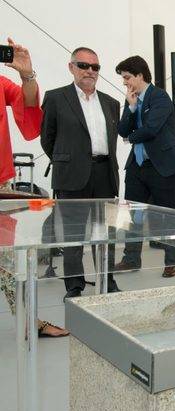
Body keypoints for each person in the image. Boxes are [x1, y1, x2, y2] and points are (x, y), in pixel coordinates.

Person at [41, 47, 121, 300]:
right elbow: (48, 138)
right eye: (83, 65)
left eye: (95, 67)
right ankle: (74, 286)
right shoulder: (56, 98)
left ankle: (107, 282)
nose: (89, 71)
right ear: (71, 67)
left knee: (104, 233)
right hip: (72, 175)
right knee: (73, 235)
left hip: (104, 174)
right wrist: (67, 161)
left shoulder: (111, 103)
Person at [0, 37, 68, 337]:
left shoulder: (2, 82)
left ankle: (30, 323)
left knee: (10, 261)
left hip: (1, 183)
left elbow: (27, 107)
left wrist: (26, 74)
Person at [114, 56, 175, 278]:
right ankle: (130, 259)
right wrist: (131, 107)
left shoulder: (160, 98)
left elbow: (150, 129)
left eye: (127, 77)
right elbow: (122, 129)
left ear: (139, 75)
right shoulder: (132, 99)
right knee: (134, 215)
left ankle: (172, 261)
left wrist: (130, 138)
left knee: (169, 216)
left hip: (164, 166)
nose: (125, 82)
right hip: (137, 166)